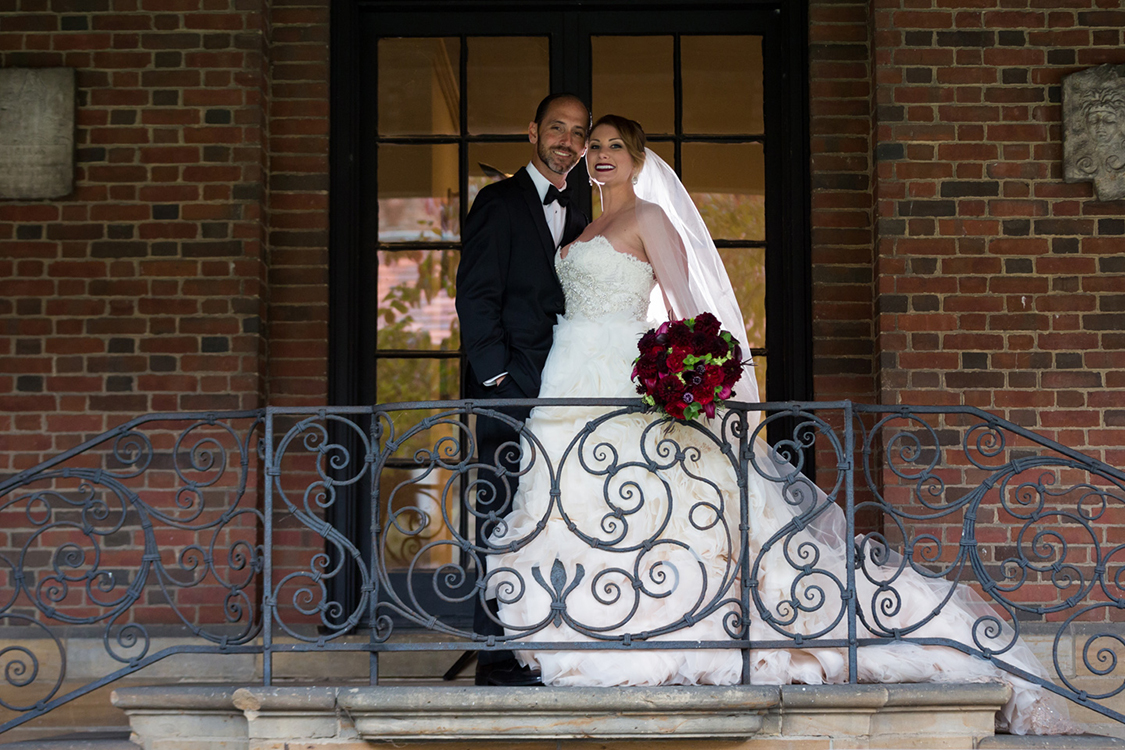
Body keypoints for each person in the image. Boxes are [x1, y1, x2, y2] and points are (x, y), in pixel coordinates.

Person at [483, 115, 1075, 735]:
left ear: (637, 158)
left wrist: (688, 373)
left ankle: (666, 625)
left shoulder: (649, 219)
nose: (601, 155)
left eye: (614, 147)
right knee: (571, 499)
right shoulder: (587, 224)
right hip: (568, 378)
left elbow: (689, 310)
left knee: (651, 501)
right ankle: (589, 624)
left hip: (622, 377)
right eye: (594, 146)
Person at [455, 92, 592, 686]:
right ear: (531, 130)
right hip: (510, 386)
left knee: (553, 512)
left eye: (577, 133)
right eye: (556, 128)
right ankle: (494, 653)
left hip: (565, 384)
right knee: (501, 511)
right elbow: (476, 296)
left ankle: (546, 644)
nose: (566, 140)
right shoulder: (499, 201)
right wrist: (497, 379)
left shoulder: (586, 210)